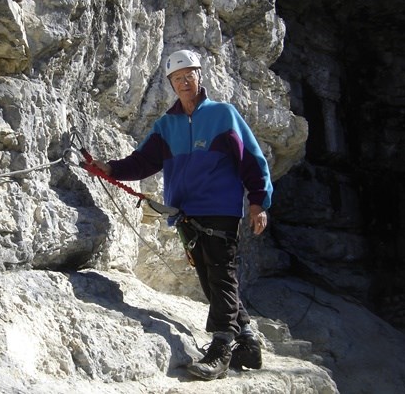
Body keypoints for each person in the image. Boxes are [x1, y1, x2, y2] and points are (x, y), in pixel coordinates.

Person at [91, 49, 272, 380]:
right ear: (171, 84)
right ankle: (247, 340)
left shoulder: (223, 115)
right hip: (186, 214)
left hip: (219, 209)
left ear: (200, 76)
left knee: (220, 274)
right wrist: (111, 169)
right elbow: (143, 162)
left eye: (189, 75)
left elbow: (251, 159)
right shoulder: (166, 125)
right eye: (177, 78)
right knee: (210, 278)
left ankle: (221, 348)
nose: (184, 82)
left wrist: (258, 202)